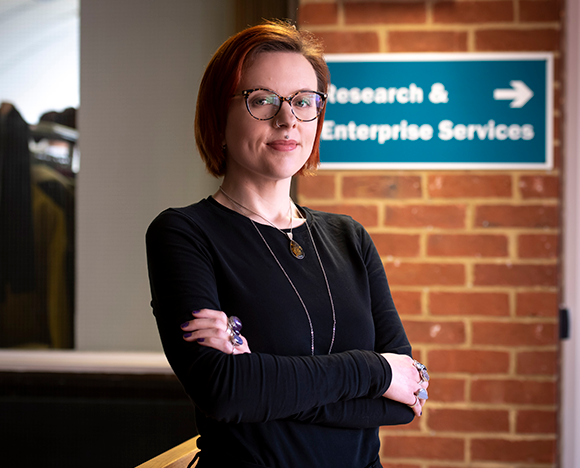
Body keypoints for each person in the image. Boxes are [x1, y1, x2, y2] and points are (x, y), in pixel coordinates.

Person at [146, 20, 430, 468]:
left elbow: (403, 399)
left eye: (303, 102)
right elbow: (225, 392)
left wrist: (264, 385)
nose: (287, 119)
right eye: (262, 100)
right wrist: (375, 372)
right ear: (217, 119)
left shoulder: (349, 237)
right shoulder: (184, 234)